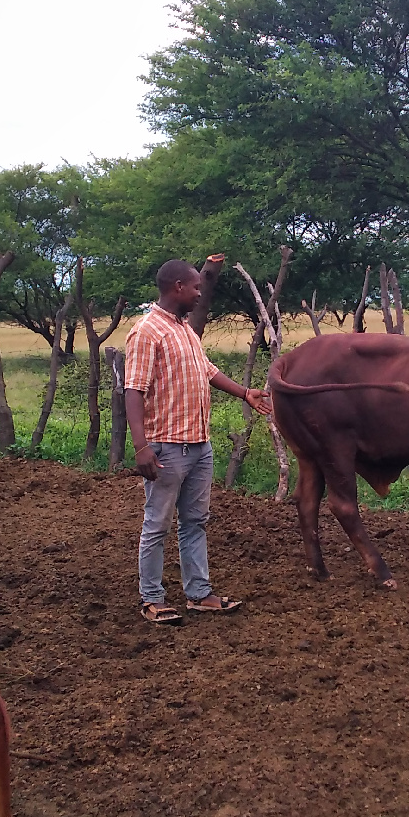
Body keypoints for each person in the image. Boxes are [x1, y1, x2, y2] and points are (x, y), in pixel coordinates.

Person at [125, 259, 272, 624]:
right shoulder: (146, 332)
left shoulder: (185, 331)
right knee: (157, 523)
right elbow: (133, 390)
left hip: (198, 445)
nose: (199, 293)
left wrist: (244, 393)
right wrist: (141, 446)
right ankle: (152, 598)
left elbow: (207, 371)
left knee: (195, 521)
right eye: (195, 287)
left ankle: (198, 593)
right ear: (177, 287)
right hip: (166, 446)